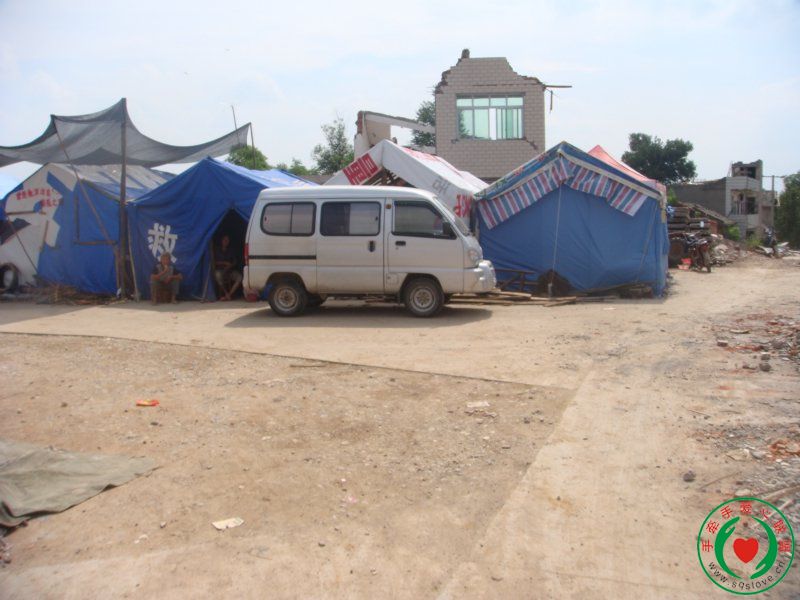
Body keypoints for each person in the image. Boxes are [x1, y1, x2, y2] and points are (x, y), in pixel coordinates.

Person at [214, 234, 243, 301]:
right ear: (221, 240)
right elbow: (214, 262)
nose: (226, 241)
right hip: (220, 270)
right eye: (225, 240)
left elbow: (235, 261)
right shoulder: (217, 250)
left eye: (227, 240)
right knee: (217, 276)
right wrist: (224, 263)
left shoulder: (231, 250)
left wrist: (230, 265)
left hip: (229, 271)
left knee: (240, 277)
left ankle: (229, 295)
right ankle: (225, 293)